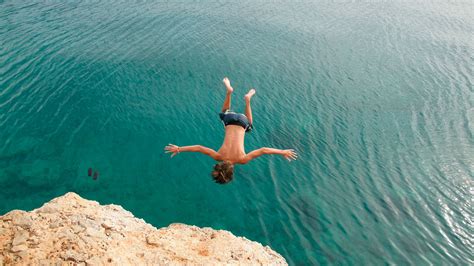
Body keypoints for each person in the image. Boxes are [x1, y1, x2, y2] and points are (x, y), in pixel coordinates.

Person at [165, 77, 297, 184]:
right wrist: (179, 148)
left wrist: (282, 151)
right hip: (229, 119)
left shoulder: (242, 160)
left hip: (242, 122)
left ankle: (247, 100)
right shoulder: (218, 156)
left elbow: (263, 150)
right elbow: (199, 148)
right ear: (219, 166)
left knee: (249, 126)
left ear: (232, 170)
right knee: (223, 112)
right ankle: (229, 91)